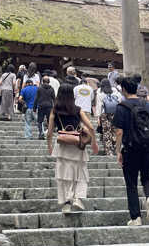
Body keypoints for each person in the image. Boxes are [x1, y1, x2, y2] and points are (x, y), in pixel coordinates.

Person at [114, 75, 149, 226]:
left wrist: (118, 151)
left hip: (131, 149)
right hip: (147, 147)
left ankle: (136, 217)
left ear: (124, 89)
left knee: (131, 183)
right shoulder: (147, 105)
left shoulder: (122, 107)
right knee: (148, 178)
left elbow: (119, 132)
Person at [47, 84, 96, 213]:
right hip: (77, 145)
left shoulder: (55, 110)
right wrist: (94, 142)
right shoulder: (78, 109)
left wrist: (49, 146)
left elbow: (50, 132)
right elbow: (90, 127)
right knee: (80, 173)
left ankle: (66, 204)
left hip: (63, 146)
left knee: (63, 175)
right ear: (72, 96)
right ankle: (78, 198)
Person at [96, 77, 118, 155]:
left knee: (106, 132)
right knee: (114, 131)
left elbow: (99, 106)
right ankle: (116, 149)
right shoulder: (115, 91)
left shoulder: (100, 93)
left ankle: (109, 151)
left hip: (104, 114)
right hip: (115, 114)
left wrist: (98, 118)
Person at [34, 75, 55, 141]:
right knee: (49, 121)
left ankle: (41, 134)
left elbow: (36, 98)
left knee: (40, 121)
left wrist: (34, 107)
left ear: (42, 81)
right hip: (49, 106)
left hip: (41, 106)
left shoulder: (39, 88)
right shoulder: (51, 89)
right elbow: (54, 99)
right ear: (49, 81)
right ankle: (49, 134)